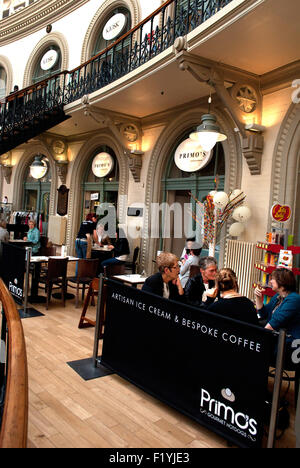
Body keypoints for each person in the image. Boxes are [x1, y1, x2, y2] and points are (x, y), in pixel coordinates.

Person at [254, 268, 300, 364]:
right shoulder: (278, 297)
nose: (270, 281)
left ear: (282, 283)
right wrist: (258, 297)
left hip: (290, 346)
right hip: (279, 341)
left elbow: (273, 324)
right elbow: (263, 313)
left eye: (273, 279)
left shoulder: (294, 299)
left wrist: (256, 339)